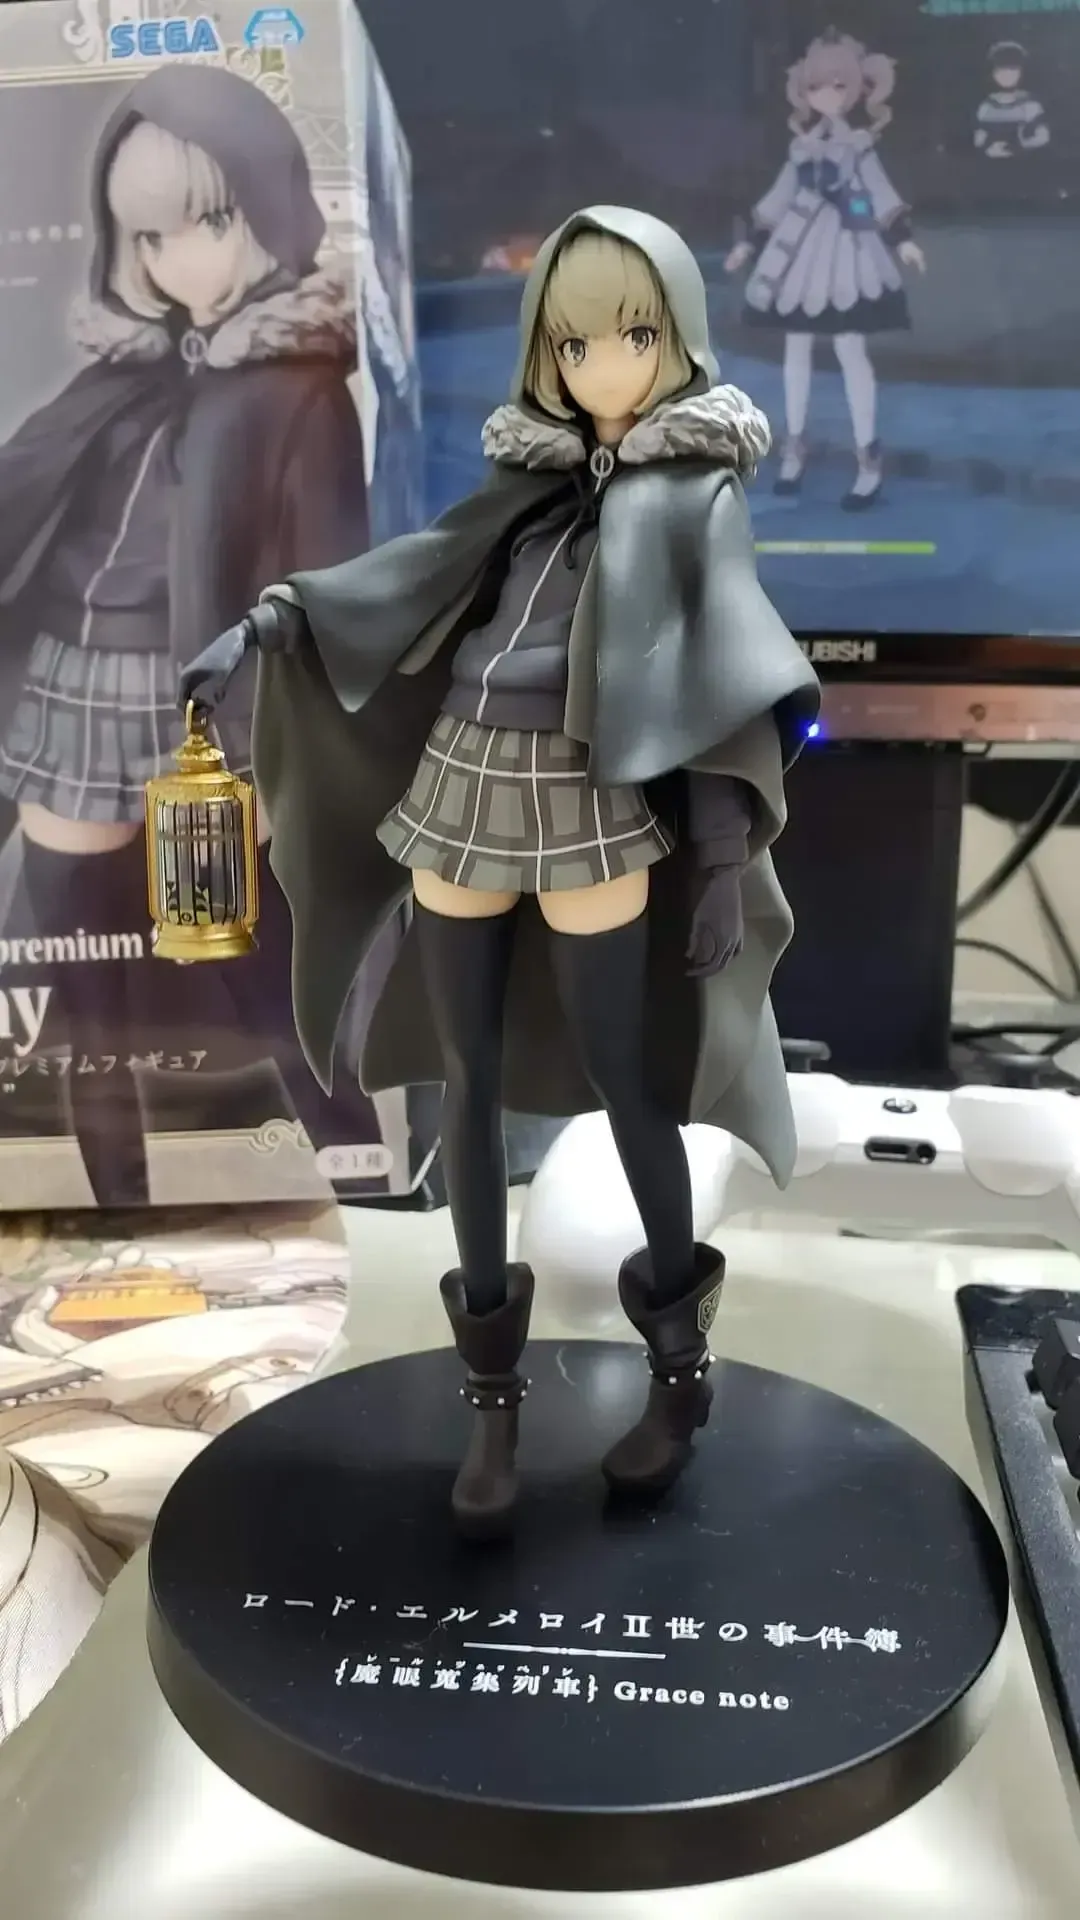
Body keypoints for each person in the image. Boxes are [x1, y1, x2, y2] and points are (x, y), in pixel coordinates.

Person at [180, 205, 820, 1537]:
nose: (602, 366)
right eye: (574, 343)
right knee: (462, 1085)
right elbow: (416, 576)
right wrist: (277, 619)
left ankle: (679, 1374)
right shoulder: (528, 488)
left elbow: (722, 675)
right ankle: (491, 1400)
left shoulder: (695, 498)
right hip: (465, 780)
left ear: (676, 337)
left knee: (631, 1089)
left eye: (631, 336)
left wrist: (717, 859)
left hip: (590, 801)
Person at [0, 65, 374, 1205]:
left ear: (265, 209)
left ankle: (362, 1175)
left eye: (207, 223)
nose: (177, 261)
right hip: (71, 687)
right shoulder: (129, 377)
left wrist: (277, 756)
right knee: (78, 975)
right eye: (149, 236)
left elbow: (323, 586)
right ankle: (116, 1203)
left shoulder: (296, 391)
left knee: (254, 966)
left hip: (208, 715)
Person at [726, 29, 926, 509]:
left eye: (839, 85)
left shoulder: (859, 145)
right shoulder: (801, 149)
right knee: (796, 349)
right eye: (817, 86)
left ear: (858, 88)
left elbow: (880, 194)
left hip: (849, 253)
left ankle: (867, 460)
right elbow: (776, 199)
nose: (828, 95)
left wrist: (903, 241)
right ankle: (794, 450)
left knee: (850, 349)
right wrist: (747, 245)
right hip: (799, 253)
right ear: (804, 91)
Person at [974, 42, 1051, 160]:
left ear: (1021, 72)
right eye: (1001, 70)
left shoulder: (1030, 105)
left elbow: (1043, 137)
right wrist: (988, 148)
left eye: (1012, 70)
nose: (1007, 75)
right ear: (993, 73)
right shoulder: (987, 106)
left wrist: (1020, 146)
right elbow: (979, 137)